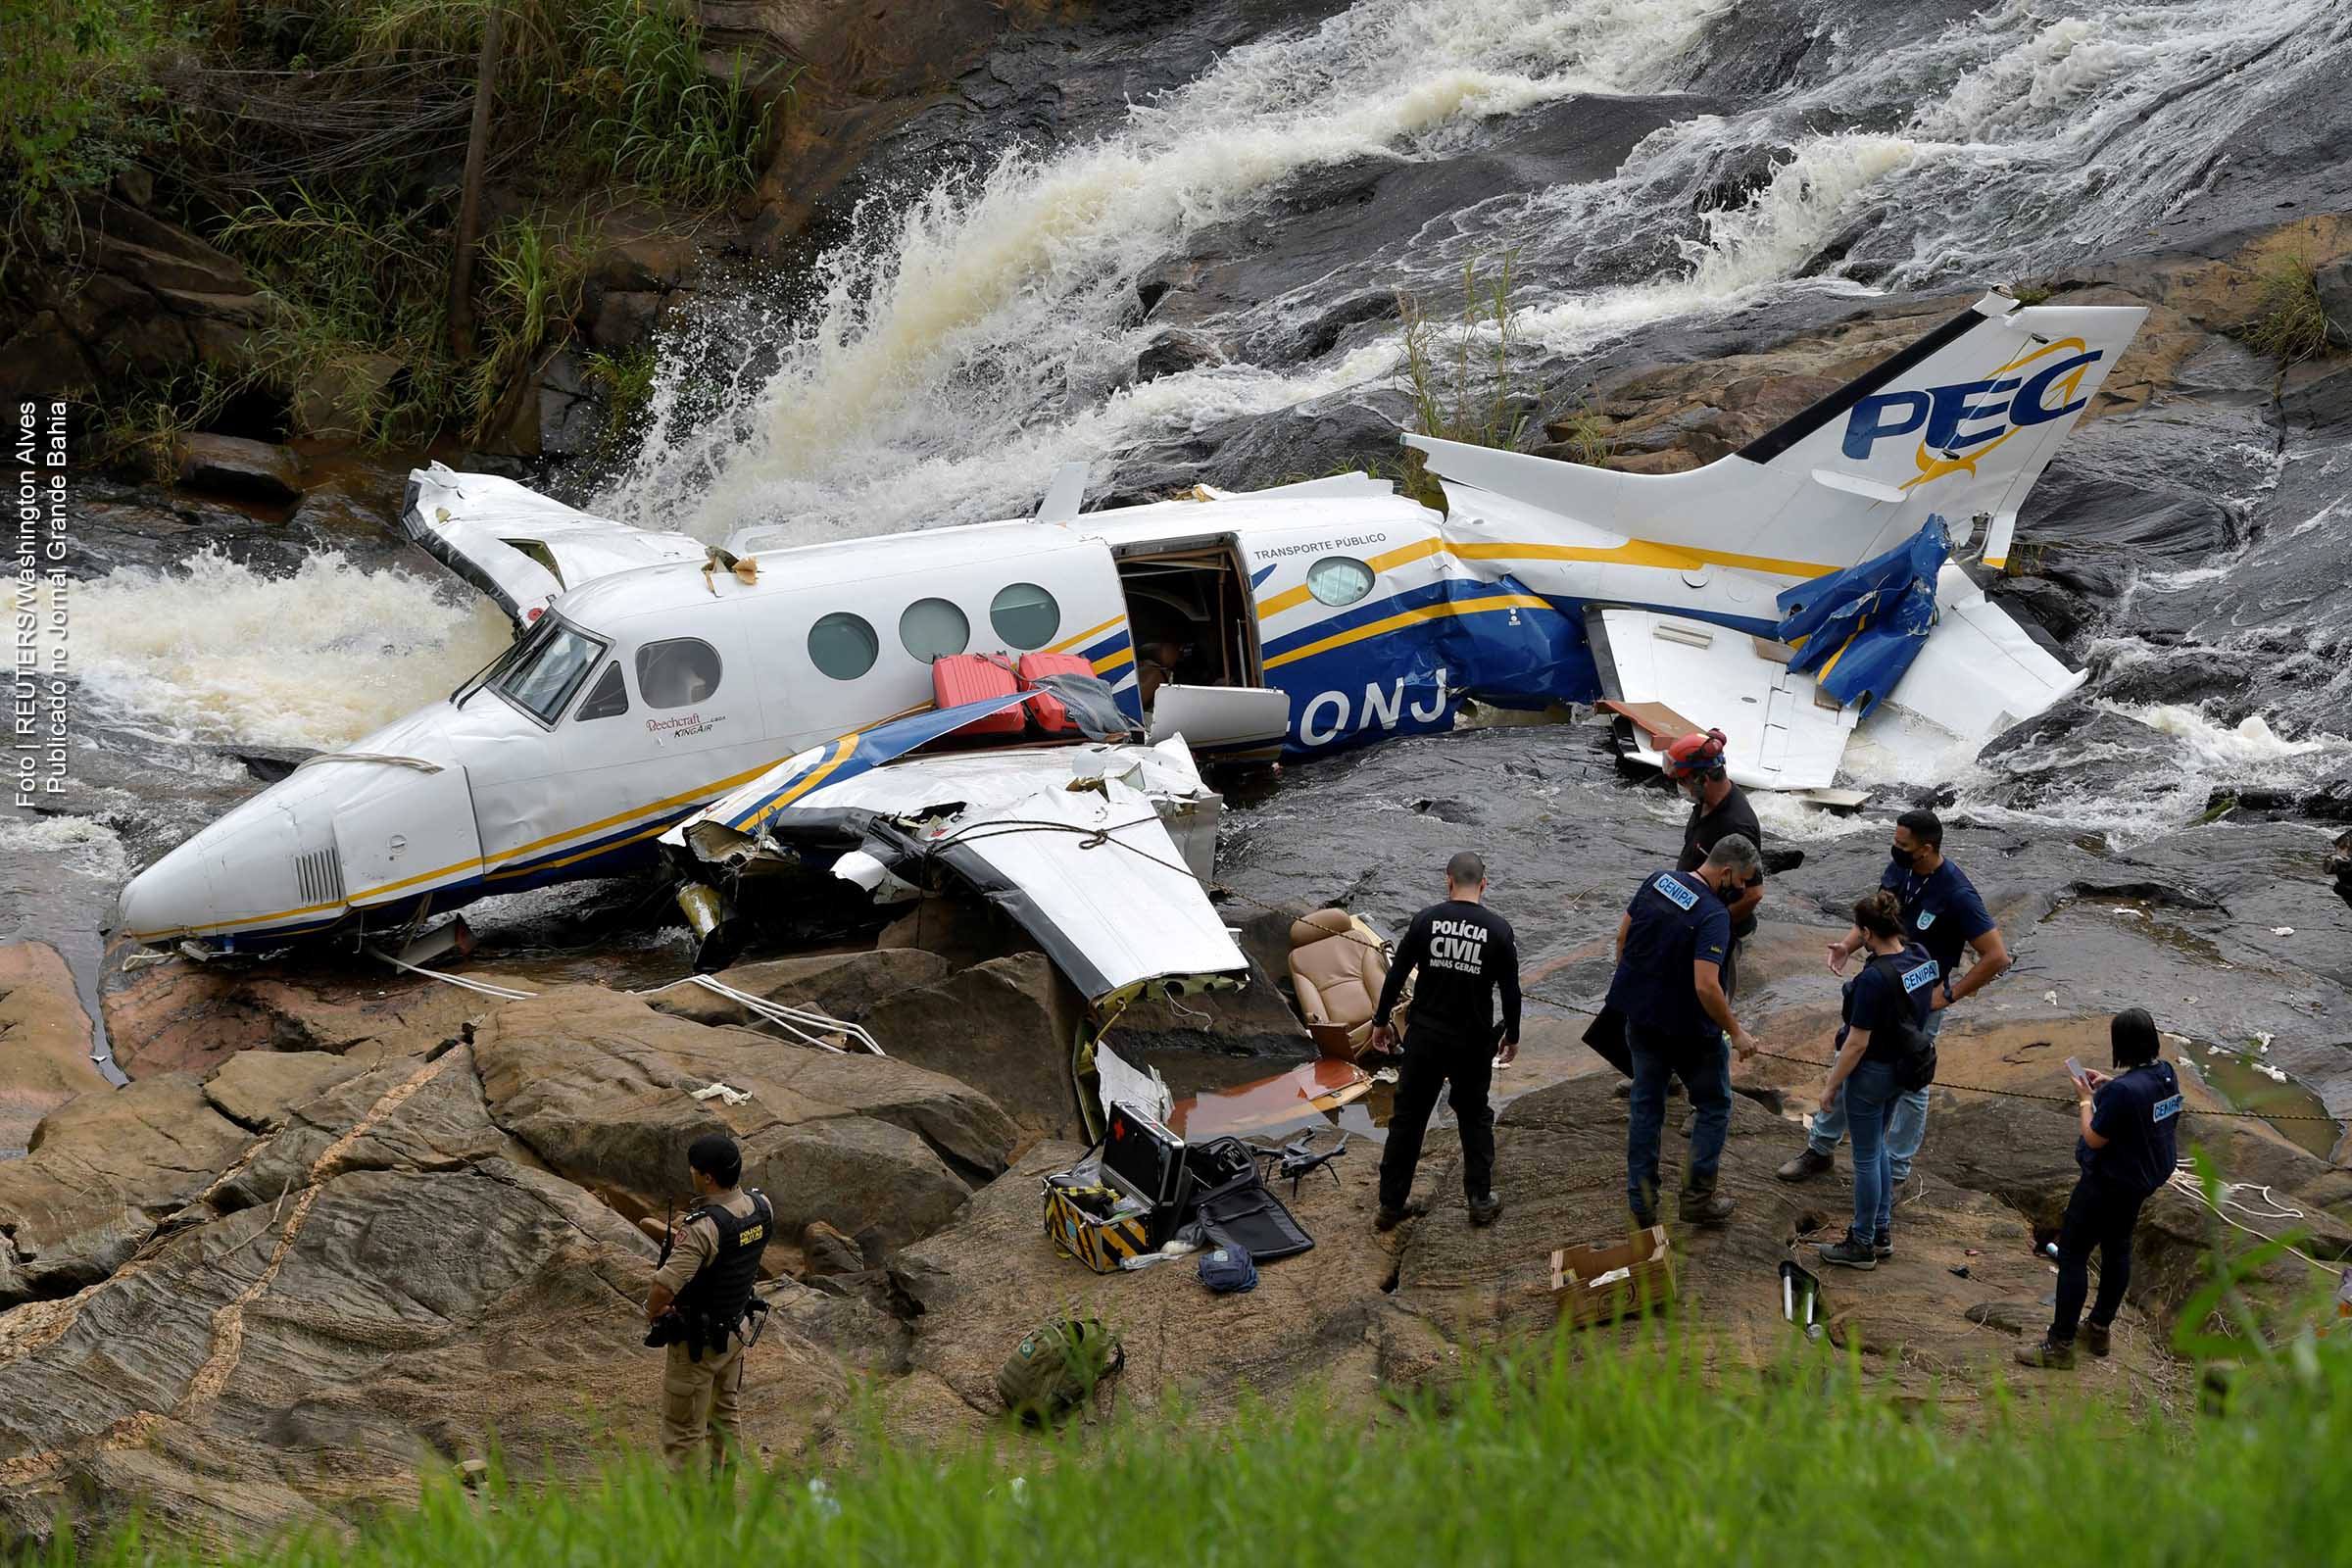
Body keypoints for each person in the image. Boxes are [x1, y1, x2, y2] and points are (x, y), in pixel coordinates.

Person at [1777, 808, 2011, 1201]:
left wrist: (1948, 995)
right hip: (1882, 984)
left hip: (1920, 999)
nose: (1895, 849)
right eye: (1895, 842)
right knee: (1849, 1058)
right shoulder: (1900, 869)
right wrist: (1848, 944)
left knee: (1912, 1083)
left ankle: (1897, 1170)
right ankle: (1820, 1149)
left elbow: (1996, 956)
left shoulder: (1957, 893)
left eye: (1903, 845)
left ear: (1926, 848)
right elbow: (1878, 910)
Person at [1606, 835, 1762, 1228]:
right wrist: (1738, 1032)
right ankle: (1696, 1199)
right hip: (1691, 1033)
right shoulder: (1714, 915)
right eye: (1741, 880)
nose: (1742, 889)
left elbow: (1623, 936)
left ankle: (1641, 1202)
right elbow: (1707, 985)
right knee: (1713, 1106)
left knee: (1646, 1104)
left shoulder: (1658, 880)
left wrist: (1637, 988)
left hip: (1641, 1019)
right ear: (1726, 872)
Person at [2017, 1009, 2182, 1368]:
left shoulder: (2124, 1092)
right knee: (2117, 1249)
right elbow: (2144, 1103)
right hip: (2137, 1185)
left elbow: (2093, 1138)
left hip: (2105, 1185)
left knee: (2073, 1256)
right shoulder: (2166, 1073)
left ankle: (2059, 1345)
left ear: (2119, 1044)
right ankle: (2098, 1328)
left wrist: (2086, 1099)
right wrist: (2109, 1083)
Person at [1368, 851, 1521, 1231]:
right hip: (1472, 1040)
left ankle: (1390, 1206)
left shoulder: (1426, 920)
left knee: (1408, 1118)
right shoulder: (1499, 929)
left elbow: (1396, 974)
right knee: (1474, 1117)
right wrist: (1513, 1035)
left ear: (1448, 880)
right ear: (1483, 884)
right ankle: (1480, 1201)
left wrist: (1381, 1021)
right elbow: (1511, 991)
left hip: (1425, 1038)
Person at [1811, 890, 1939, 1269]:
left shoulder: (1872, 980)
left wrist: (1831, 1086)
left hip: (1872, 1072)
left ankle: (1862, 1241)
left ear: (1867, 933)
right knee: (1879, 1148)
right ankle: (1881, 1230)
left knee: (1865, 1156)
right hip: (1905, 1067)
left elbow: (1855, 1043)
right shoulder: (1920, 956)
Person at [644, 1133, 772, 1469]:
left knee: (684, 1432)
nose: (692, 1174)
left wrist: (654, 1312)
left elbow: (664, 1286)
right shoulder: (762, 1207)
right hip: (735, 1330)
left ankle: (689, 1515)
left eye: (694, 1170)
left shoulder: (703, 1227)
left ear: (707, 1177)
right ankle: (722, 1499)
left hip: (697, 1343)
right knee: (725, 1416)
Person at [1666, 729, 1765, 999]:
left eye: (1684, 781)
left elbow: (1754, 893)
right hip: (1691, 918)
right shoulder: (1704, 802)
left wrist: (1711, 924)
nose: (1682, 788)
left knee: (1712, 997)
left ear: (1704, 778)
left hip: (1718, 931)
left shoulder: (1737, 825)